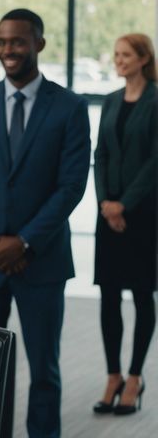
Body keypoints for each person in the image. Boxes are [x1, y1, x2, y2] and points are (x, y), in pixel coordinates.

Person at [0, 9, 91, 438]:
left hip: (42, 261)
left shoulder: (69, 106)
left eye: (18, 41)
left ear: (39, 44)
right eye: (3, 41)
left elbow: (71, 186)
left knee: (45, 368)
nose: (8, 50)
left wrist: (25, 241)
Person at [91, 33, 157, 416]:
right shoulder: (112, 100)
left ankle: (135, 377)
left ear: (143, 58)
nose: (118, 60)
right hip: (108, 213)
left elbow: (154, 163)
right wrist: (104, 203)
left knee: (142, 294)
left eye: (125, 55)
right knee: (109, 296)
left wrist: (124, 205)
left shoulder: (155, 99)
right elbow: (100, 154)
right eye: (116, 54)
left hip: (143, 214)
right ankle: (112, 374)